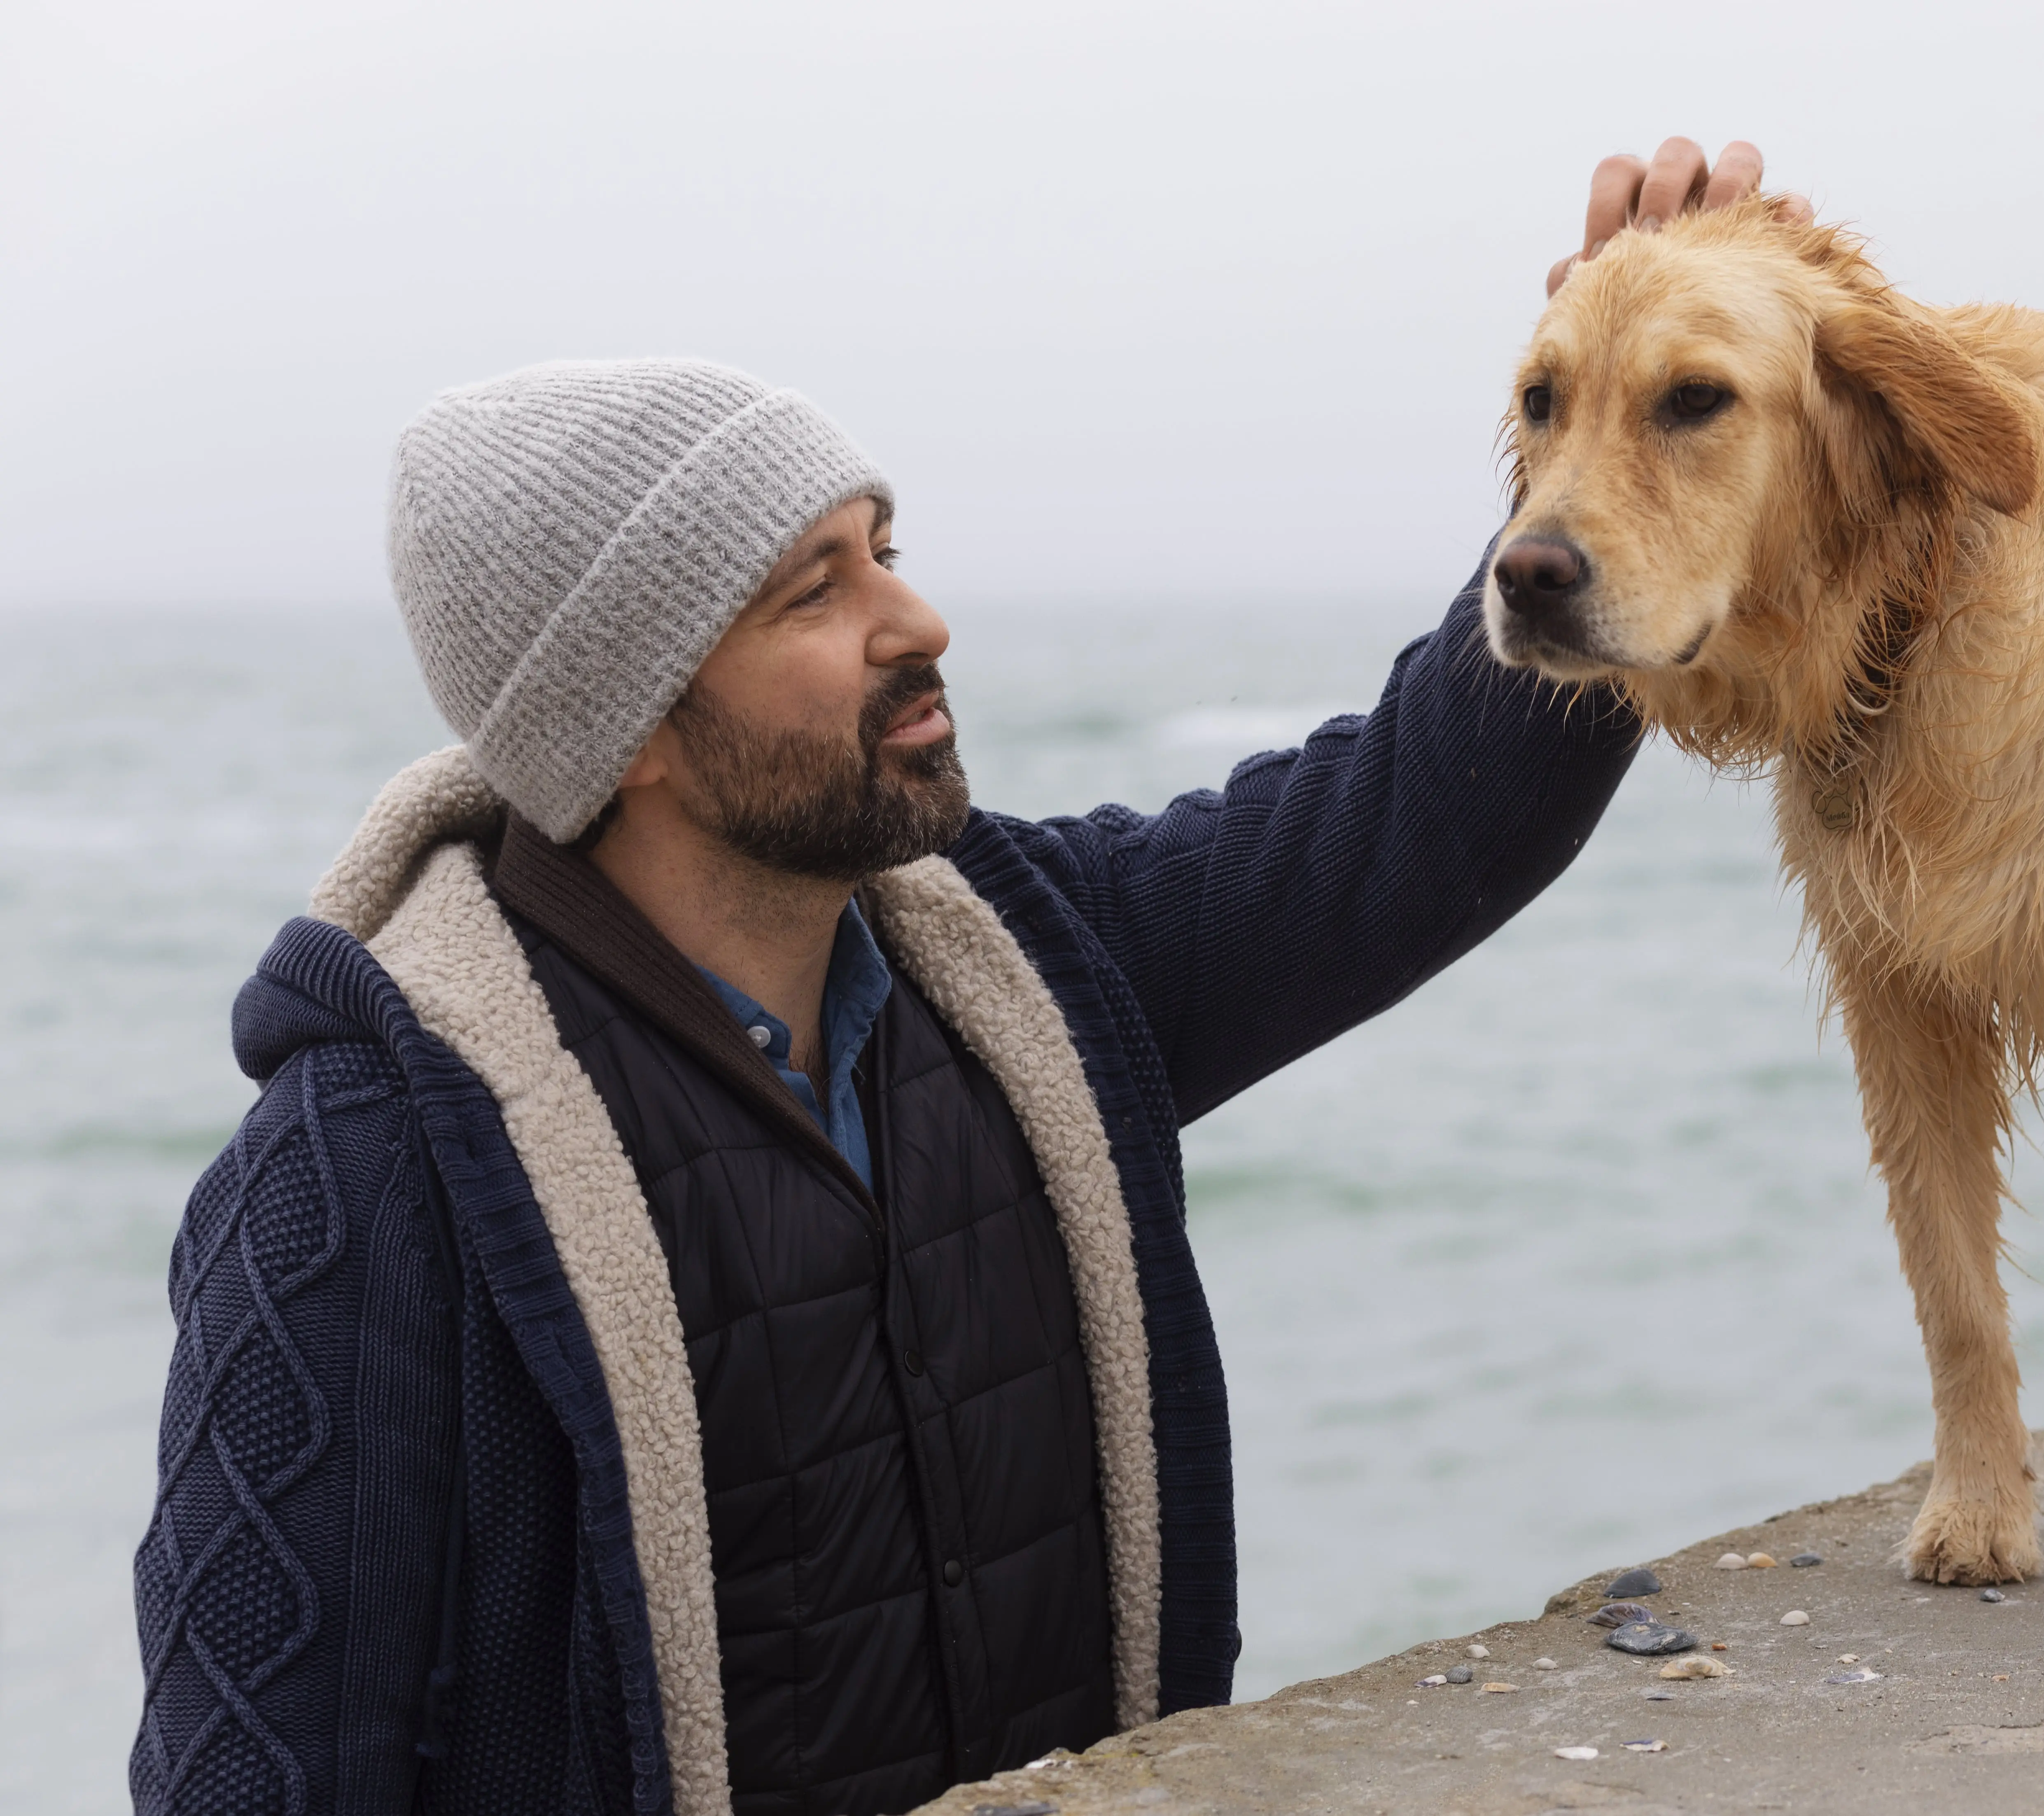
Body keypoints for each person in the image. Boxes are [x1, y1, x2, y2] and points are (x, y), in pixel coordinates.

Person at [131, 140, 1788, 1816]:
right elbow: (252, 1775)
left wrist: (1595, 445)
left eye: (885, 546)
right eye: (815, 590)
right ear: (624, 729)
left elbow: (1412, 826)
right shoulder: (361, 1175)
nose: (914, 618)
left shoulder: (1030, 966)